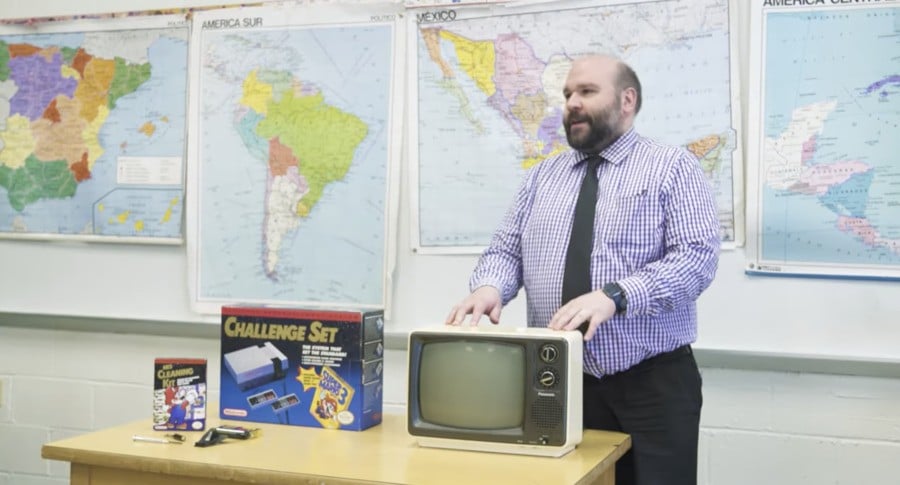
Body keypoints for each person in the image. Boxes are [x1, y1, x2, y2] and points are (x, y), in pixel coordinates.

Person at [445, 54, 720, 485]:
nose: (572, 102)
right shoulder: (541, 177)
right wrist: (489, 288)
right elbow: (506, 251)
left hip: (651, 385)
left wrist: (615, 296)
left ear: (627, 100)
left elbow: (696, 259)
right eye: (568, 94)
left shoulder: (672, 168)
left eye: (587, 92)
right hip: (559, 383)